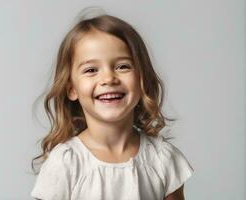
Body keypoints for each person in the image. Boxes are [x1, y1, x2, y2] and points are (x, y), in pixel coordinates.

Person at [30, 7, 194, 200]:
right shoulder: (66, 163)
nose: (108, 78)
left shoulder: (162, 159)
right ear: (71, 89)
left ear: (143, 80)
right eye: (91, 70)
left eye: (122, 66)